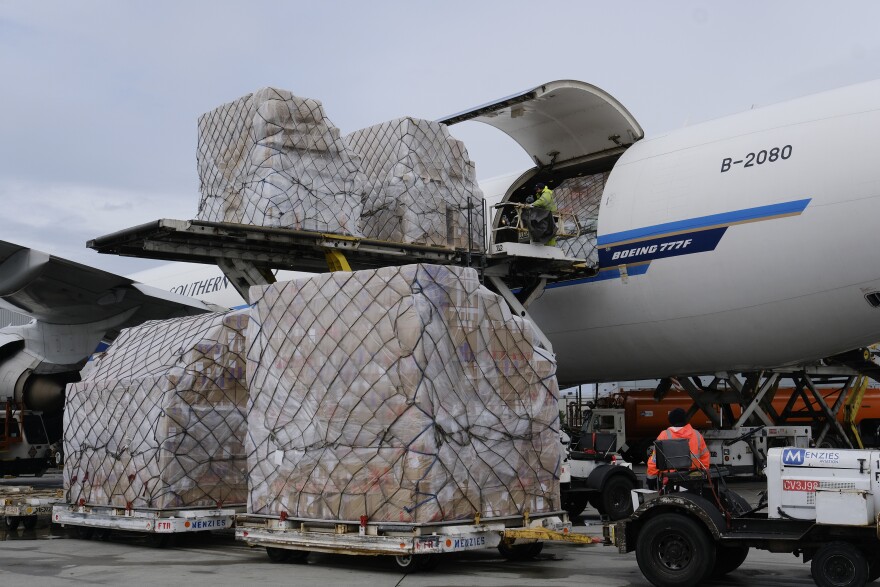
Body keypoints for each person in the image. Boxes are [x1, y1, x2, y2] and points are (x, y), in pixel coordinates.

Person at [645, 407, 710, 490]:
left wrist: (651, 479)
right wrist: (705, 475)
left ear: (671, 420)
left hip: (670, 480)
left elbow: (654, 460)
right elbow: (705, 457)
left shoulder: (664, 435)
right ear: (685, 420)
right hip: (693, 478)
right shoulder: (697, 435)